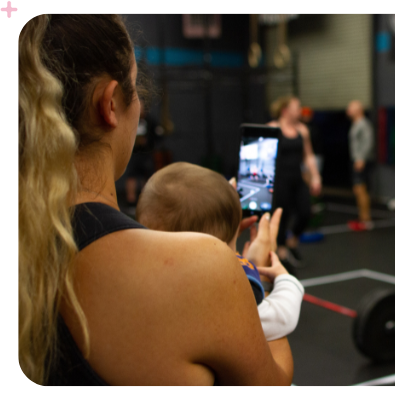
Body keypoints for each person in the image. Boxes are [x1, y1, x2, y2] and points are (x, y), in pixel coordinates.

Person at [19, 15, 292, 385]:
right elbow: (274, 384)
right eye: (135, 89)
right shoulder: (207, 268)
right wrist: (254, 275)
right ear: (110, 103)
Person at [136, 162, 305, 341]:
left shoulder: (144, 284)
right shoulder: (222, 298)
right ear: (217, 248)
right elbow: (282, 317)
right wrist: (286, 280)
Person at [267, 96, 322, 269]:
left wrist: (316, 177)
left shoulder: (302, 130)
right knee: (281, 217)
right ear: (285, 110)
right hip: (279, 180)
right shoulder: (273, 128)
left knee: (306, 212)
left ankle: (292, 241)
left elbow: (309, 156)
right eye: (296, 107)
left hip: (297, 178)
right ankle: (282, 252)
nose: (300, 111)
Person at [346, 100, 375, 231]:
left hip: (361, 160)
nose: (348, 110)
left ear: (359, 110)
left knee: (361, 188)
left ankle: (366, 219)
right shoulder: (356, 124)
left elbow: (368, 142)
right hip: (356, 159)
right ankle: (362, 218)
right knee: (358, 189)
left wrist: (361, 159)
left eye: (351, 108)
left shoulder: (363, 124)